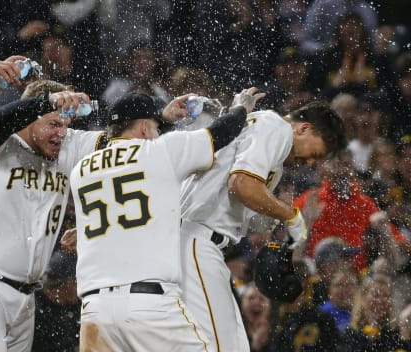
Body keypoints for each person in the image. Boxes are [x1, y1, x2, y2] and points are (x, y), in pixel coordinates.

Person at [70, 88, 265, 351]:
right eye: (155, 126)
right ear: (142, 127)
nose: (158, 132)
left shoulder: (81, 169)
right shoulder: (159, 152)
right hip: (149, 306)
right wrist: (241, 108)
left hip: (95, 311)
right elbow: (218, 134)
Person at [0, 79, 108, 352]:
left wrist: (160, 118)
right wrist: (48, 102)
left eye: (65, 124)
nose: (62, 132)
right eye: (53, 123)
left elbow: (120, 145)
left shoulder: (67, 144)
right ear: (30, 116)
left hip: (25, 297)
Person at [179, 100, 347, 351]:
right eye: (314, 154)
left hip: (196, 242)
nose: (310, 163)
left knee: (230, 344)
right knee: (221, 345)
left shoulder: (267, 139)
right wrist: (291, 215)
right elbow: (242, 184)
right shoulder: (276, 126)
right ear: (303, 128)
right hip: (195, 240)